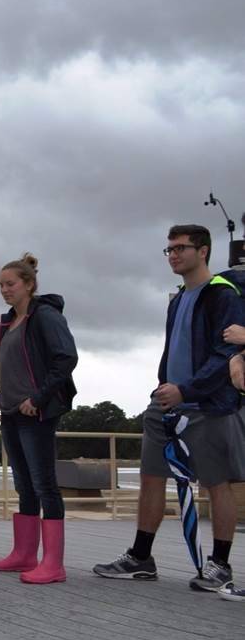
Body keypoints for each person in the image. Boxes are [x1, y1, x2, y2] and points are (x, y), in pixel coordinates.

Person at [95, 226, 245, 592]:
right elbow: (173, 349)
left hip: (206, 405)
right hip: (165, 403)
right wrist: (164, 386)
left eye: (181, 248)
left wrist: (186, 390)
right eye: (169, 249)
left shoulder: (222, 295)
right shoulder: (178, 298)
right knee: (150, 476)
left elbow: (224, 354)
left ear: (204, 251)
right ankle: (141, 557)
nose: (173, 255)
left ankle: (220, 565)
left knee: (215, 483)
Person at [0, 253, 77, 585]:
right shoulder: (10, 321)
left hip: (35, 412)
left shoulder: (46, 316)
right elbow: (13, 365)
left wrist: (37, 398)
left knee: (44, 485)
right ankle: (24, 554)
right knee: (24, 484)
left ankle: (53, 563)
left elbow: (66, 358)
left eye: (10, 284)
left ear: (29, 285)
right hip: (11, 411)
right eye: (1, 285)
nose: (5, 290)